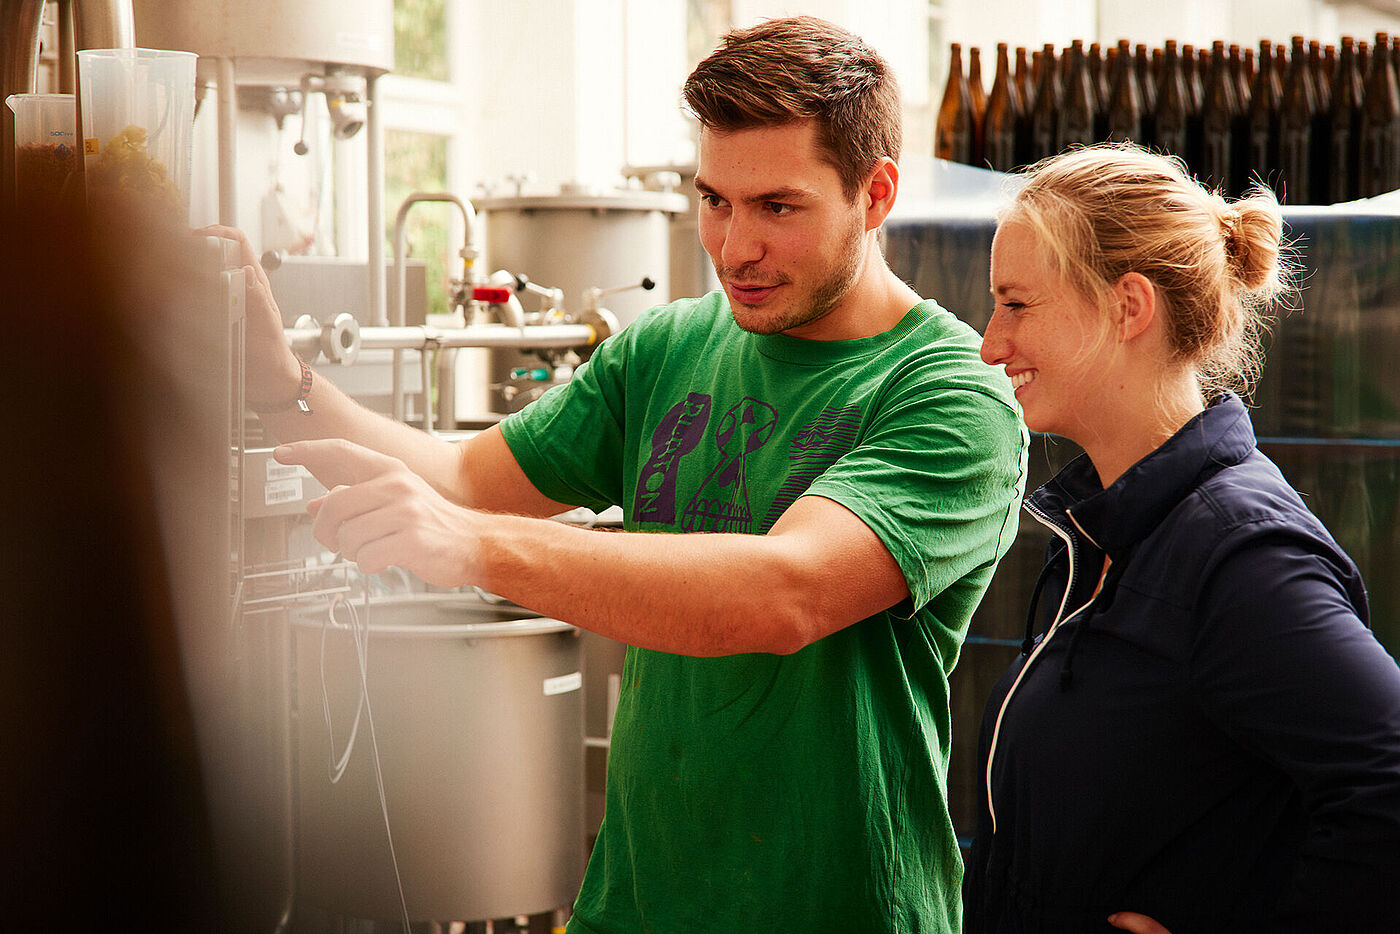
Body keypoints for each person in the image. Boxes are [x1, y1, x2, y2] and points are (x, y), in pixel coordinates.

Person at [213, 15, 1027, 933]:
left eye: (779, 208)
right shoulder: (668, 347)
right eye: (714, 200)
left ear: (874, 196)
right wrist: (286, 386)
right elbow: (468, 481)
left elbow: (781, 597)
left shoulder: (953, 397)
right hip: (635, 904)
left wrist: (475, 549)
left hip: (838, 907)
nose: (733, 247)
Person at [964, 143, 1400, 934]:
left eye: (1017, 304)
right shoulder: (1108, 531)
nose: (992, 344)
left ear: (1129, 308)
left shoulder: (1242, 556)